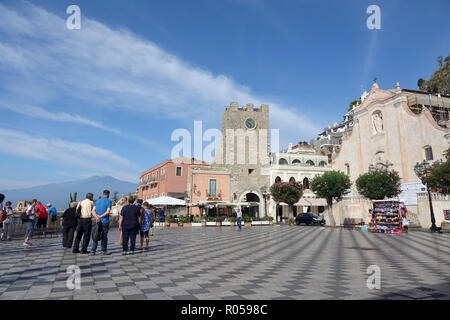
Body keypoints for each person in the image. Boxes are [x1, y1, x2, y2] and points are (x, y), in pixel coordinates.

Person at [90, 190, 112, 255]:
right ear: (108, 195)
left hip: (98, 221)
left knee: (96, 235)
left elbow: (93, 211)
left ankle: (93, 250)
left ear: (103, 194)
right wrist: (101, 216)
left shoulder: (97, 201)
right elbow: (108, 211)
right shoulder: (109, 201)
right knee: (104, 236)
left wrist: (97, 217)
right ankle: (103, 250)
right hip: (105, 221)